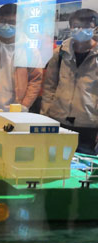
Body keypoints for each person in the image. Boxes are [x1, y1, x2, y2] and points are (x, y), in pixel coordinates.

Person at [41, 8, 98, 155]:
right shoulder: (60, 54)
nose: (81, 30)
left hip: (88, 125)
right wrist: (45, 117)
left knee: (83, 165)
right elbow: (49, 87)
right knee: (53, 161)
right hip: (58, 121)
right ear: (70, 27)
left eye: (87, 27)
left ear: (95, 28)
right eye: (77, 26)